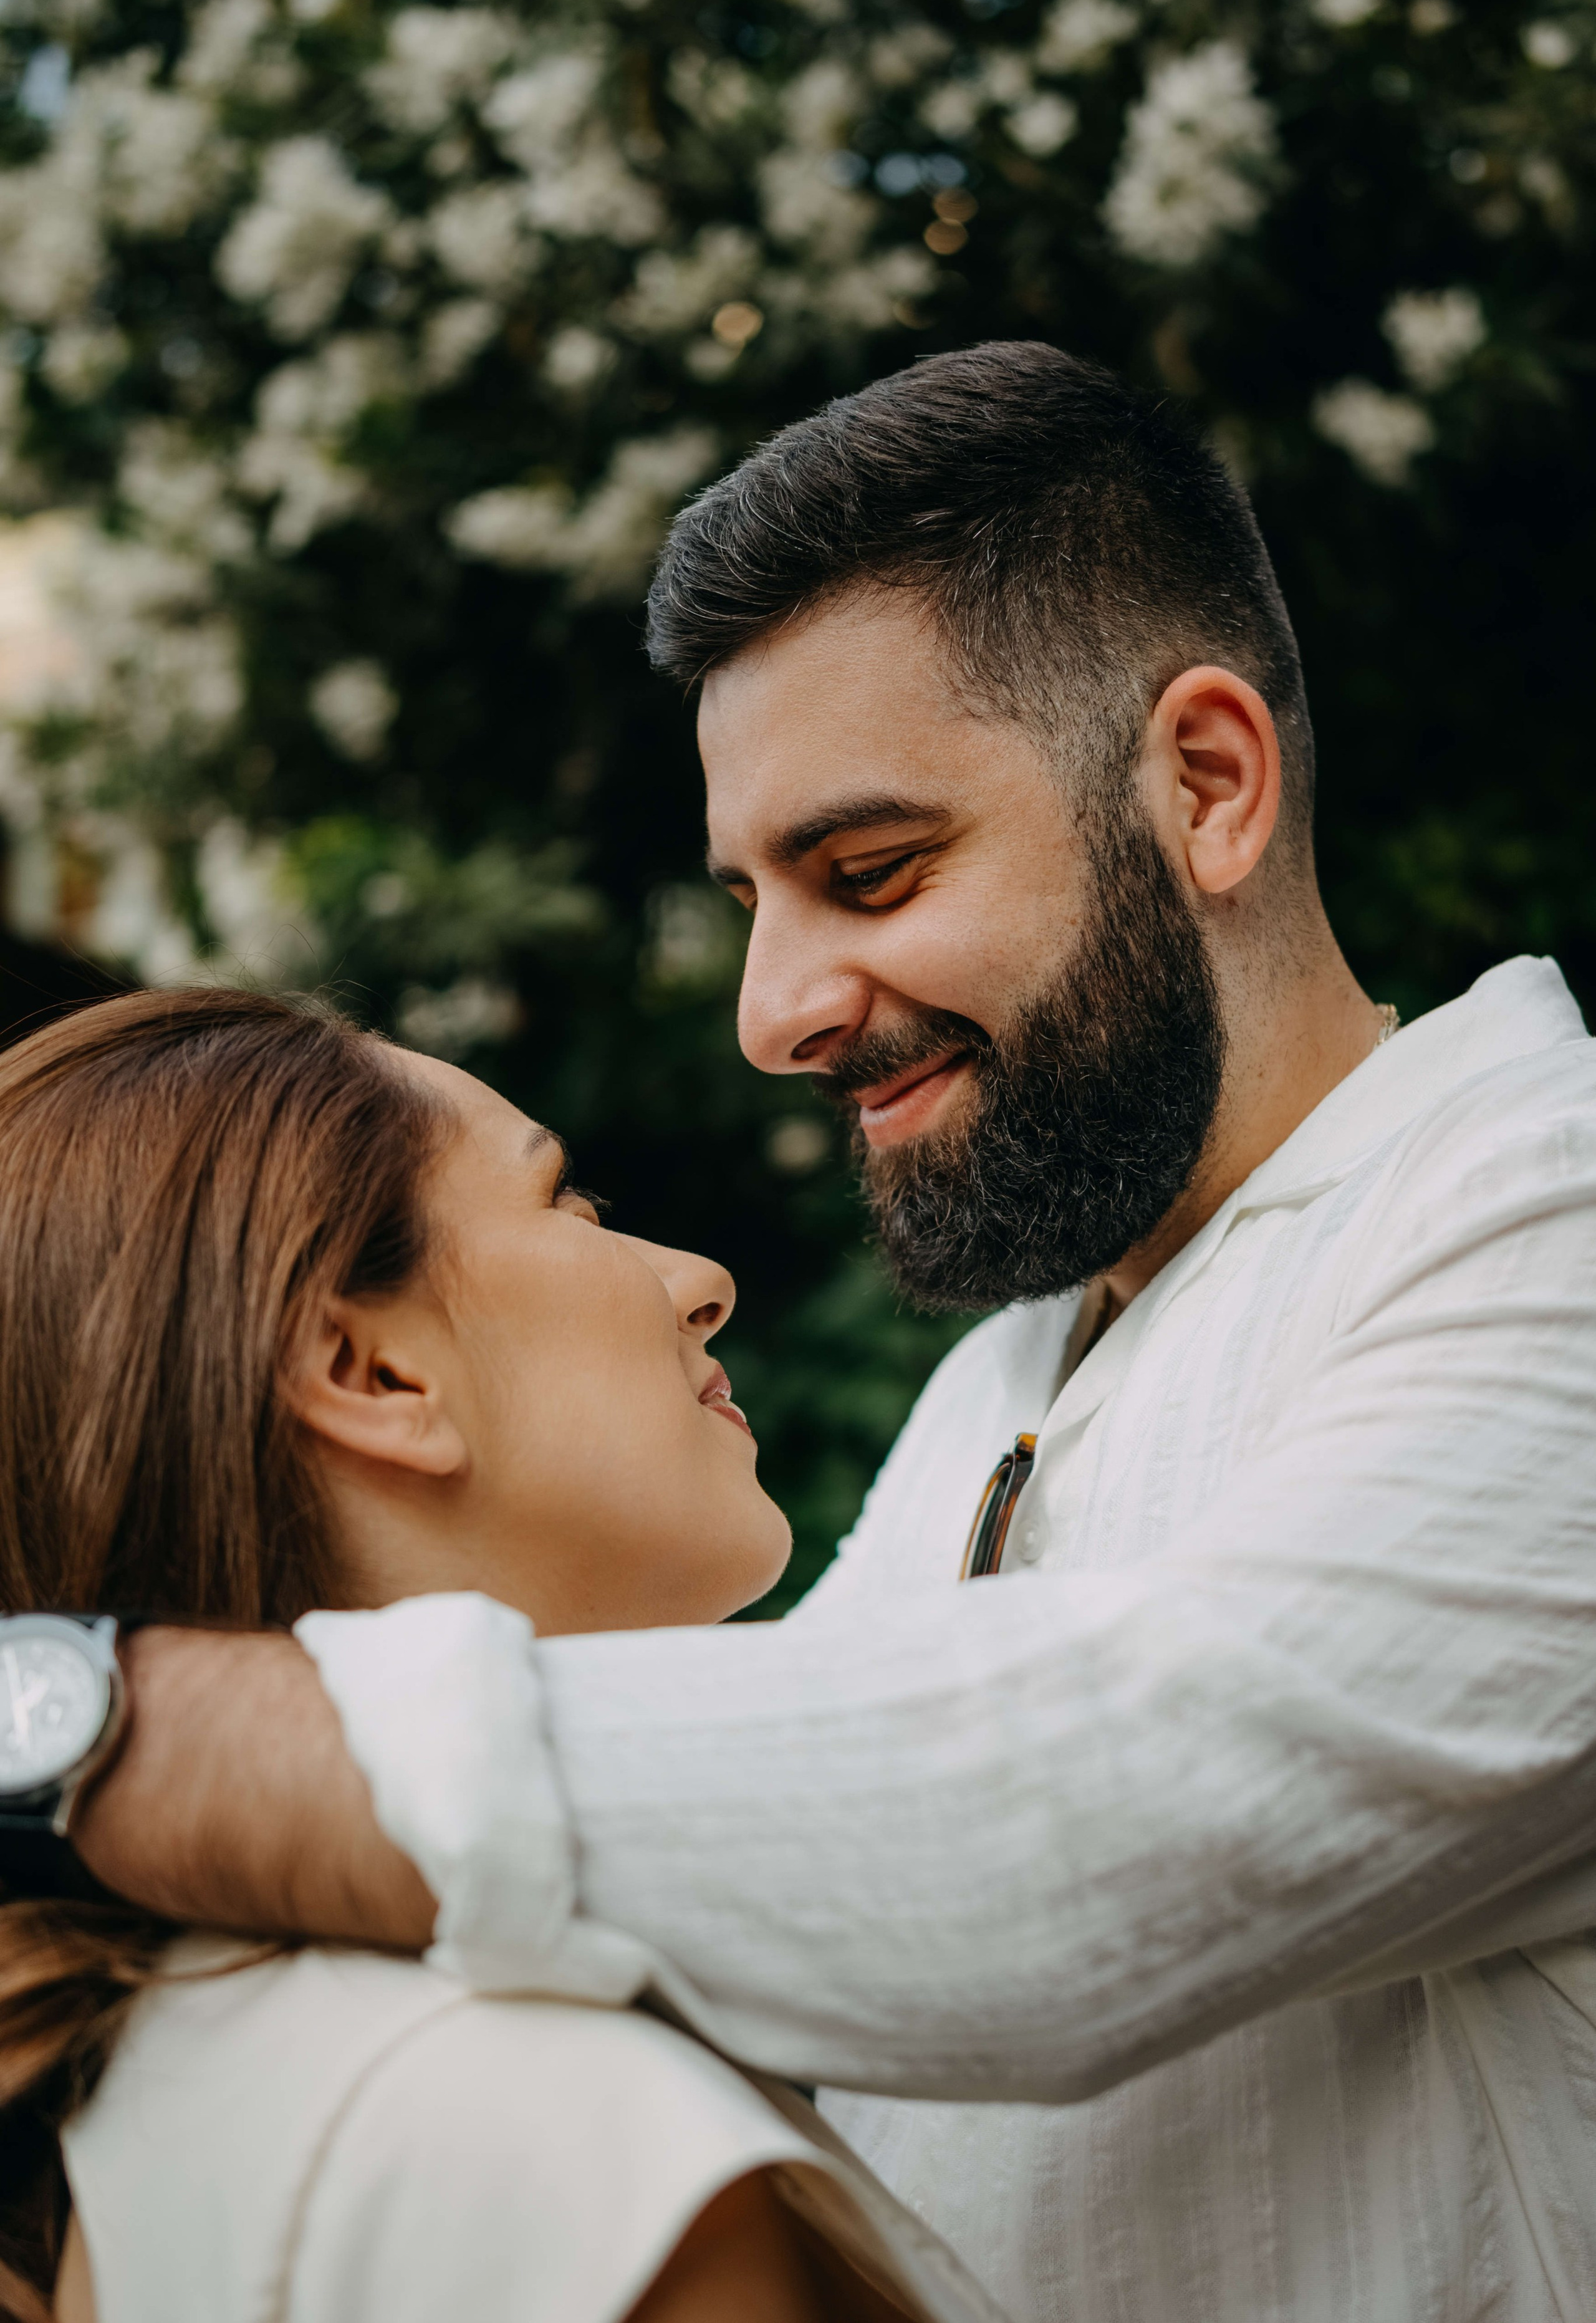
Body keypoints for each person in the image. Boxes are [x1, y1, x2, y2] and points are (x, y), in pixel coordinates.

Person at [23, 341, 1596, 2322]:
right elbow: (746, 1843)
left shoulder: (1547, 1209)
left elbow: (1088, 1832)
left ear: (1207, 785)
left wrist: (81, 1719)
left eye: (869, 873)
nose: (775, 1009)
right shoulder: (1001, 1384)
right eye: (753, 899)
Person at [0, 988, 1004, 2323]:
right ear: (372, 1372)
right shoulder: (557, 2140)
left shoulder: (161, 2089)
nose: (700, 1283)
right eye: (567, 1204)